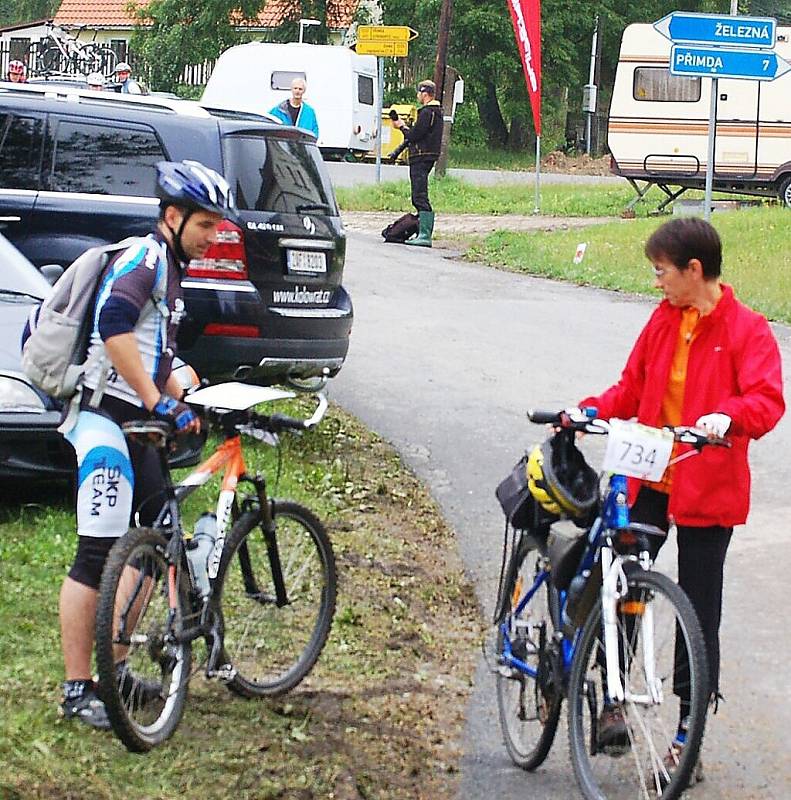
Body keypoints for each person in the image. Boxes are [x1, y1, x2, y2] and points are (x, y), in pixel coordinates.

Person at [578, 217, 784, 779]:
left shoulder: (747, 329)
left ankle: (686, 738)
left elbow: (767, 401)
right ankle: (614, 697)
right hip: (649, 477)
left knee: (697, 610)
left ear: (695, 270)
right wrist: (590, 410)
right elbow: (632, 388)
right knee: (623, 582)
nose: (656, 282)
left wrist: (730, 416)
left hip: (708, 486)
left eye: (662, 272)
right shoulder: (663, 321)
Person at [56, 160, 235, 729]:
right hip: (105, 421)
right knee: (96, 554)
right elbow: (113, 325)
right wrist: (156, 399)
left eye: (216, 226)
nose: (213, 236)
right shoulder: (147, 257)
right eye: (205, 225)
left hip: (138, 423)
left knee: (159, 539)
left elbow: (151, 345)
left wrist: (180, 385)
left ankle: (116, 668)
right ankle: (77, 688)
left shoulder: (172, 268)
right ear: (172, 216)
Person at [390, 79, 442, 247]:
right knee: (419, 193)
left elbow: (414, 136)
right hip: (428, 155)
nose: (418, 96)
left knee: (419, 195)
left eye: (419, 93)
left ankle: (425, 235)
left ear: (425, 94)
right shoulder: (436, 112)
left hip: (421, 156)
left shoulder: (428, 112)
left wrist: (402, 127)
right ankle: (421, 231)